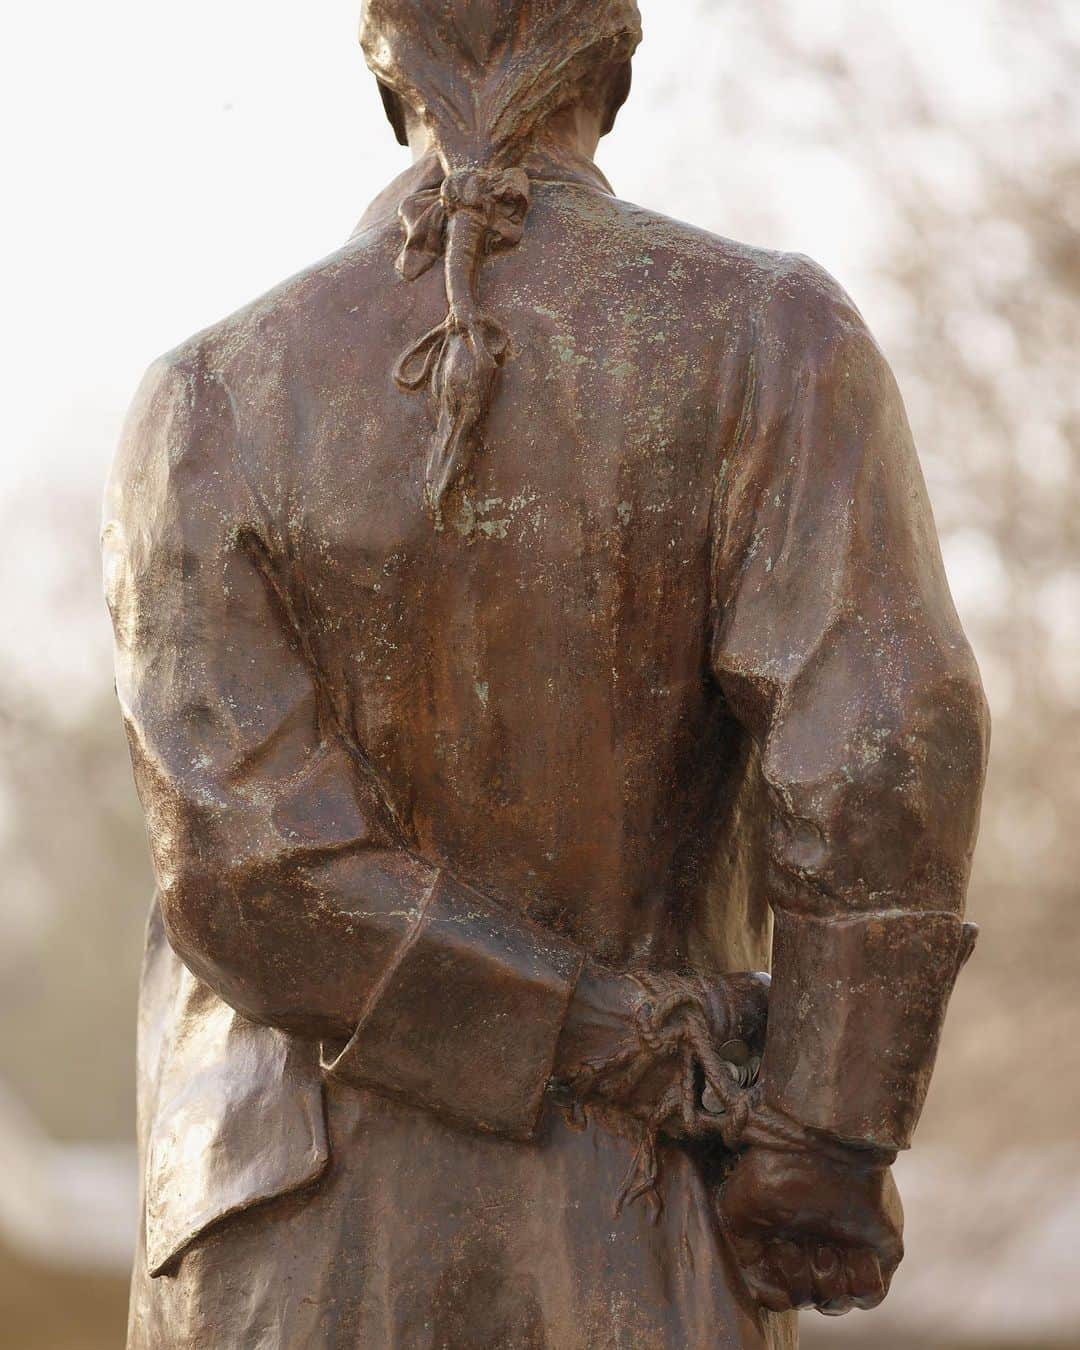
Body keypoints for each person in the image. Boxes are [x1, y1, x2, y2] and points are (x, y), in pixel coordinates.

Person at [104, 2, 989, 1346]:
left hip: (288, 1255)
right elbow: (885, 738)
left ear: (384, 83)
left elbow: (249, 868)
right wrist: (819, 1130)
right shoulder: (768, 337)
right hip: (631, 1212)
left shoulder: (204, 397)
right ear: (614, 76)